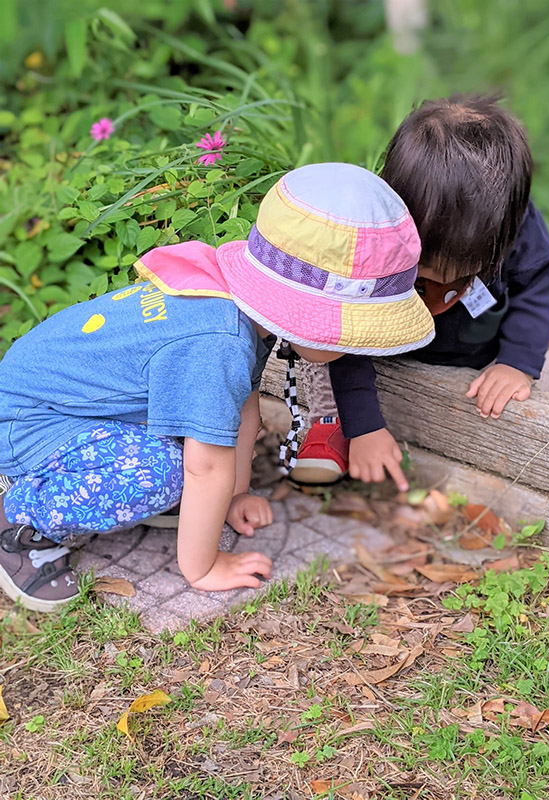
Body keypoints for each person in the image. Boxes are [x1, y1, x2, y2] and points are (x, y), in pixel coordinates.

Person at [0, 162, 434, 612]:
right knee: (159, 475)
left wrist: (235, 495)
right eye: (358, 331)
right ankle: (20, 516)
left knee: (192, 451)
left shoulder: (237, 309)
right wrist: (203, 566)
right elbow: (206, 467)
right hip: (31, 421)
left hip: (72, 405)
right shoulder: (219, 343)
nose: (359, 346)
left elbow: (242, 406)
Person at [290, 94, 549, 488]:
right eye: (422, 264)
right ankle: (331, 421)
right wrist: (363, 426)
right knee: (317, 342)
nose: (437, 279)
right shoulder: (374, 231)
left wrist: (516, 363)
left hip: (476, 353)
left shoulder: (515, 225)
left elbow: (539, 284)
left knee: (546, 376)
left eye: (459, 268)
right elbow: (349, 331)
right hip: (384, 350)